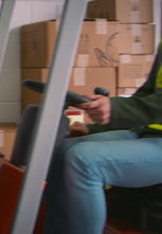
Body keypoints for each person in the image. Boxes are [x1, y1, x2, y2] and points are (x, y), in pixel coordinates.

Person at [44, 46, 162, 234]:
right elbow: (146, 96)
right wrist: (94, 125)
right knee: (63, 149)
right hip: (149, 134)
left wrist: (114, 108)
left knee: (84, 160)